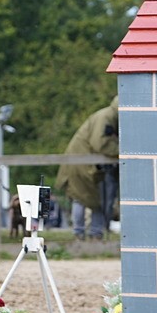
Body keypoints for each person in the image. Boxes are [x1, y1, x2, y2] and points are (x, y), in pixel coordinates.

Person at [56, 95, 120, 240]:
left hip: (85, 163)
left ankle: (93, 233)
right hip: (83, 164)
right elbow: (101, 143)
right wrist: (122, 151)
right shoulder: (107, 117)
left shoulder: (108, 116)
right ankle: (82, 233)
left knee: (93, 200)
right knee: (82, 198)